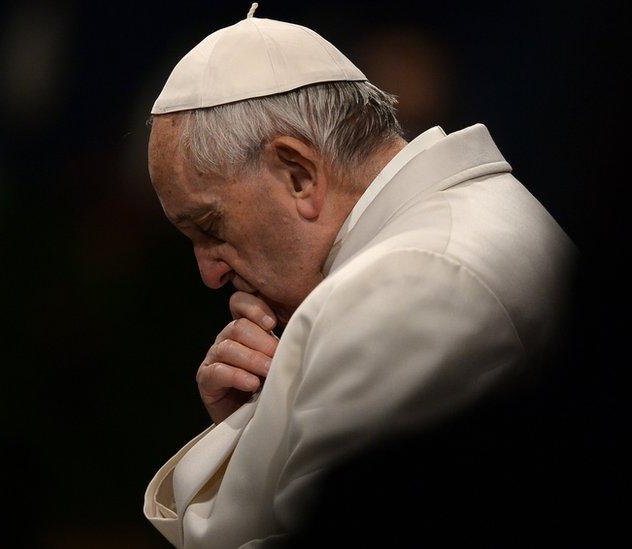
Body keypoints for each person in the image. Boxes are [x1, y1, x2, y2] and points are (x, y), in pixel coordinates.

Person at [142, 5, 577, 548]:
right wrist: (260, 420)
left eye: (210, 226)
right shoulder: (454, 227)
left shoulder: (409, 286)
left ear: (299, 175)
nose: (209, 272)